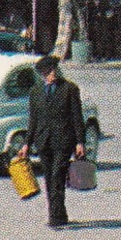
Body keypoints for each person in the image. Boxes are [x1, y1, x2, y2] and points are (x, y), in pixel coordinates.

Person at [18, 55, 88, 229]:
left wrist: (80, 142)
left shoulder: (69, 89)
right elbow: (33, 119)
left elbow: (76, 116)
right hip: (44, 140)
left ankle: (55, 217)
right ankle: (59, 213)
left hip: (64, 140)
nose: (53, 74)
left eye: (55, 70)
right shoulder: (36, 92)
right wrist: (27, 143)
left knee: (57, 174)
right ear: (42, 74)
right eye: (49, 71)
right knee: (49, 176)